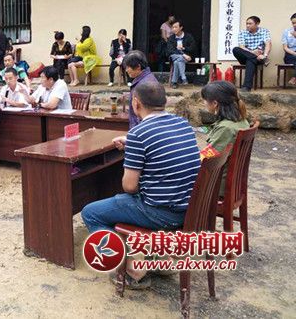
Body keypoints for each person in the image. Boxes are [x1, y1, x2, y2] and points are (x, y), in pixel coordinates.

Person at [81, 82, 200, 289]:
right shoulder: (182, 124)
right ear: (164, 101)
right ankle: (159, 258)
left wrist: (134, 147)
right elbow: (163, 145)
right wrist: (133, 144)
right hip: (189, 209)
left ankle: (132, 268)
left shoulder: (139, 133)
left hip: (161, 212)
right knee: (124, 200)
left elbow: (129, 187)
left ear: (136, 103)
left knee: (90, 213)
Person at [200, 81, 249, 195]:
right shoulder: (241, 121)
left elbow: (207, 158)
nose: (204, 103)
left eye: (205, 100)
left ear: (215, 103)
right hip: (232, 182)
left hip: (217, 185)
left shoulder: (226, 128)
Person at [232, 16, 272, 92]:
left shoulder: (264, 31)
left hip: (259, 58)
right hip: (247, 57)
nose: (247, 25)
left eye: (250, 23)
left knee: (250, 61)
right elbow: (242, 47)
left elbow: (268, 44)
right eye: (247, 23)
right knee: (236, 49)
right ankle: (263, 59)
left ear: (257, 24)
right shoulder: (242, 32)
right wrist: (254, 53)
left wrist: (265, 55)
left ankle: (246, 87)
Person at [124, 50, 158, 130]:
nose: (126, 70)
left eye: (128, 67)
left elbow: (144, 113)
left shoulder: (144, 85)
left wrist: (136, 133)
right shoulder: (147, 78)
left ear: (138, 67)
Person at [167, 19, 197, 88]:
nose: (174, 29)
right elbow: (170, 50)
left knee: (176, 62)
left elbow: (193, 48)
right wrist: (183, 55)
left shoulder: (188, 36)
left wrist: (184, 48)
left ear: (181, 27)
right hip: (174, 56)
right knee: (179, 58)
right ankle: (183, 77)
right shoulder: (171, 38)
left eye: (176, 27)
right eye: (173, 27)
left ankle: (174, 82)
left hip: (186, 58)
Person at [281, 13, 296, 85]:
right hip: (290, 54)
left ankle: (294, 78)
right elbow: (285, 48)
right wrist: (294, 53)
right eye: (293, 23)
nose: (294, 25)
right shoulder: (287, 32)